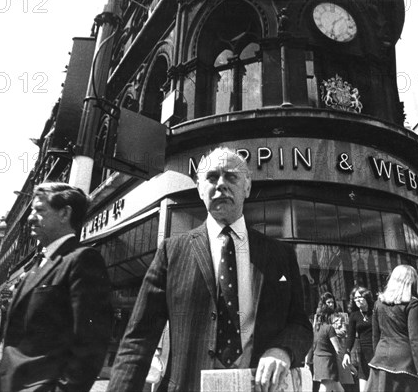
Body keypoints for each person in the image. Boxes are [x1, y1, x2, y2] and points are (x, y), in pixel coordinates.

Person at [108, 147, 312, 392]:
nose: (221, 184)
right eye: (212, 178)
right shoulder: (172, 252)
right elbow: (138, 337)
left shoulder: (280, 254)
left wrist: (283, 349)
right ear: (199, 189)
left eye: (232, 177)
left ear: (247, 187)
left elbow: (299, 323)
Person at [0, 182, 112, 392]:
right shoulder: (39, 264)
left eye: (39, 210)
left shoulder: (83, 260)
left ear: (64, 213)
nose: (30, 218)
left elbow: (90, 346)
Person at [366, 265, 418, 392]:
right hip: (404, 362)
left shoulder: (378, 303)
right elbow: (416, 339)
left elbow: (375, 336)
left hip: (380, 358)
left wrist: (378, 355)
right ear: (412, 282)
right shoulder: (413, 304)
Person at [342, 286, 374, 392]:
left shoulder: (375, 312)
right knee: (363, 387)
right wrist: (347, 352)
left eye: (360, 297)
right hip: (363, 353)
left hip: (377, 350)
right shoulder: (354, 316)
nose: (357, 300)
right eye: (355, 298)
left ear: (366, 296)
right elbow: (350, 336)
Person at [312, 292, 344, 392]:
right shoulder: (329, 328)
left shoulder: (316, 328)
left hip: (318, 360)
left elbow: (313, 345)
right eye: (329, 302)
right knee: (325, 388)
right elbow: (338, 349)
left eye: (332, 302)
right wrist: (349, 365)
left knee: (338, 389)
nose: (332, 304)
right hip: (328, 361)